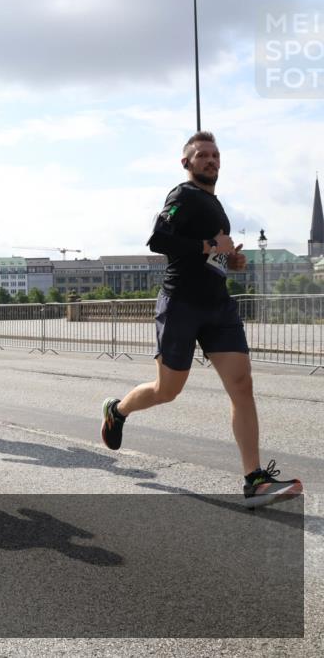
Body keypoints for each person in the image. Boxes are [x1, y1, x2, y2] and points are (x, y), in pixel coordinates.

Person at [101, 131, 302, 509]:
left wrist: (230, 259)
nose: (211, 160)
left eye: (215, 155)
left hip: (218, 306)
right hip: (181, 304)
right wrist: (211, 246)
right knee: (167, 390)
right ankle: (118, 410)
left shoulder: (216, 204)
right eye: (202, 155)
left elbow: (212, 256)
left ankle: (254, 480)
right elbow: (158, 239)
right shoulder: (183, 195)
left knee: (242, 385)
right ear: (187, 162)